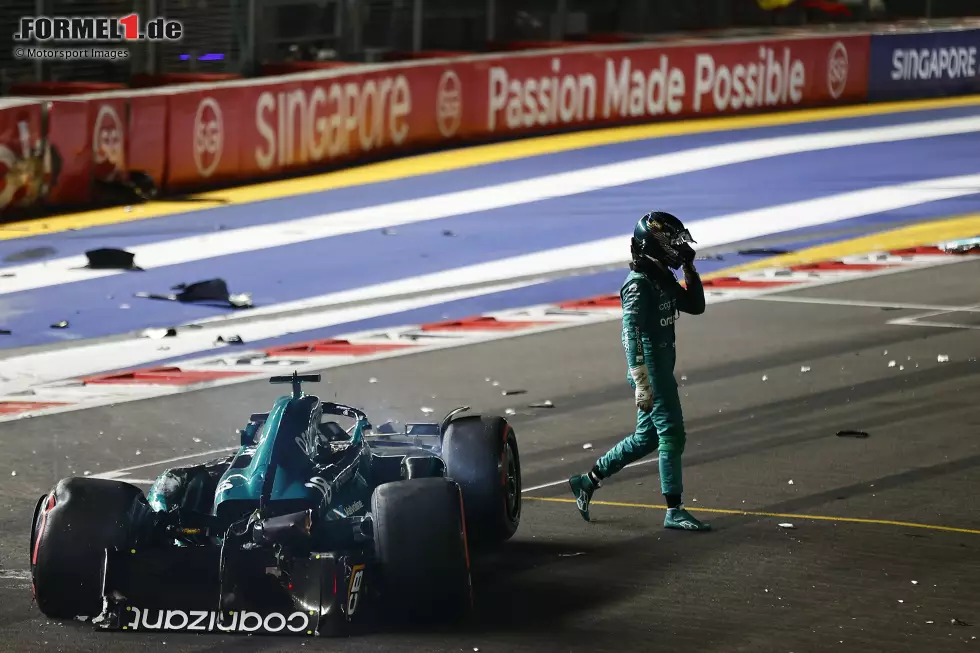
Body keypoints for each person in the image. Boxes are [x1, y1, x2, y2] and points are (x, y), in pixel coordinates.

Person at [568, 211, 710, 531]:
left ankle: (587, 481)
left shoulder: (660, 278)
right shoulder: (638, 285)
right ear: (655, 245)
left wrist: (689, 268)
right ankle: (674, 509)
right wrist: (642, 382)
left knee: (646, 439)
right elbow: (629, 334)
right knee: (672, 434)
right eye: (674, 245)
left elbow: (695, 305)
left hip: (659, 370)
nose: (678, 249)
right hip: (651, 374)